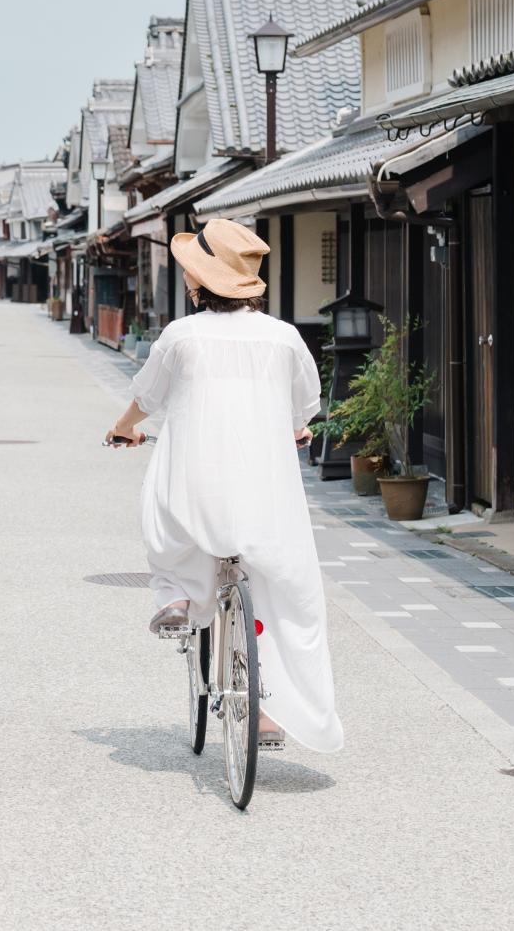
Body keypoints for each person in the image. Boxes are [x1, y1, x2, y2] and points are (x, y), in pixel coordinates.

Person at [104, 217, 343, 753]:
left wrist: (123, 429)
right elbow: (305, 403)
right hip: (266, 491)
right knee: (280, 596)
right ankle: (268, 713)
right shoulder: (283, 338)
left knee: (164, 509)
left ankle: (179, 598)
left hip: (198, 488)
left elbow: (146, 398)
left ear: (197, 282)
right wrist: (297, 427)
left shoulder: (181, 335)